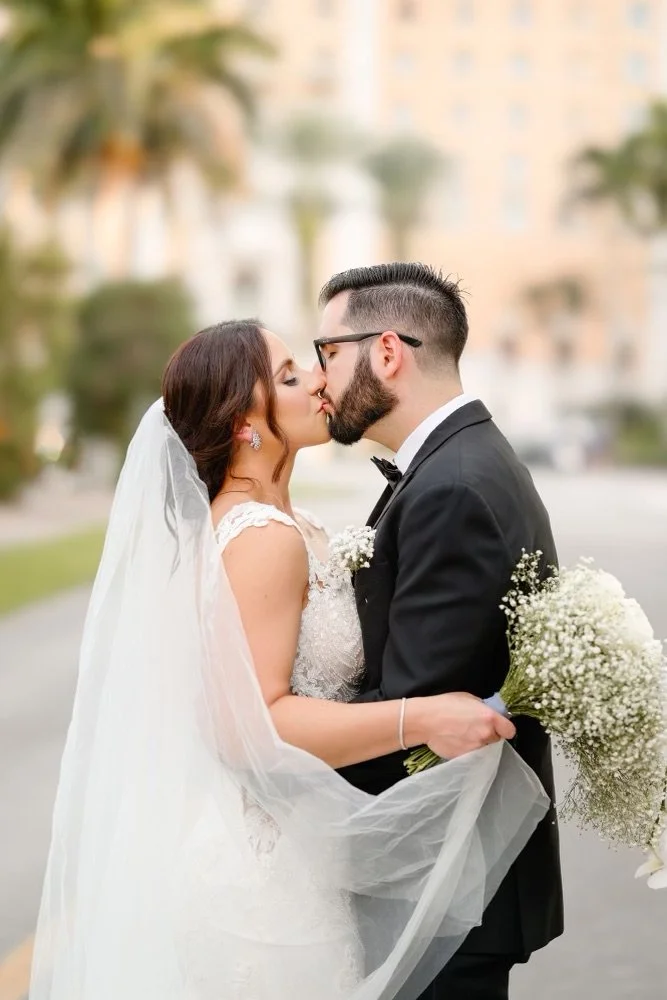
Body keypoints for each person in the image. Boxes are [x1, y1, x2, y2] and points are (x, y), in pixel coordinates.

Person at [28, 320, 547, 1000]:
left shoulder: (282, 523)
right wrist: (423, 718)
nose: (318, 382)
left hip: (292, 849)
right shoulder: (263, 538)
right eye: (290, 376)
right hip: (265, 872)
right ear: (245, 421)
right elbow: (253, 726)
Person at [315, 262, 564, 1000]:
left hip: (447, 885)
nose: (321, 377)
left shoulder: (451, 485)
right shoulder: (454, 464)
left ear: (386, 351)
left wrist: (276, 748)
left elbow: (414, 717)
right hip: (448, 876)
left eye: (328, 351)